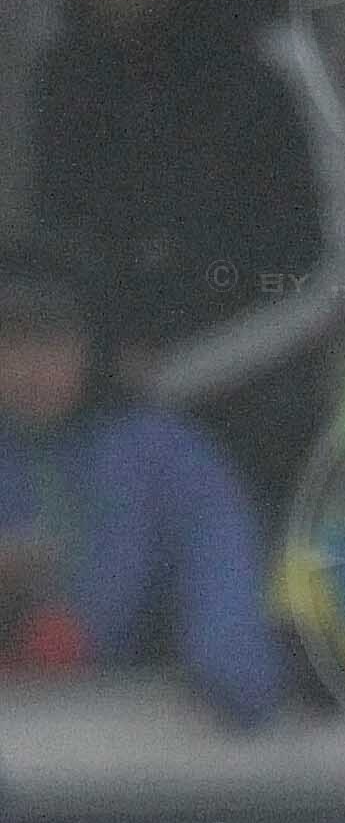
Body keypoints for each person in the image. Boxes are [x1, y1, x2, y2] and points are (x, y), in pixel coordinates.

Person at [26, 0, 345, 521]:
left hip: (263, 443)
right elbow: (50, 248)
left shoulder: (270, 64)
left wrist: (180, 373)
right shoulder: (64, 79)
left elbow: (340, 263)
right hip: (95, 442)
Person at [0, 268, 286, 725]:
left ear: (95, 351)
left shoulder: (164, 457)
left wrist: (233, 674)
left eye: (52, 344)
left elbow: (221, 582)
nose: (29, 369)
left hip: (139, 718)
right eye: (11, 343)